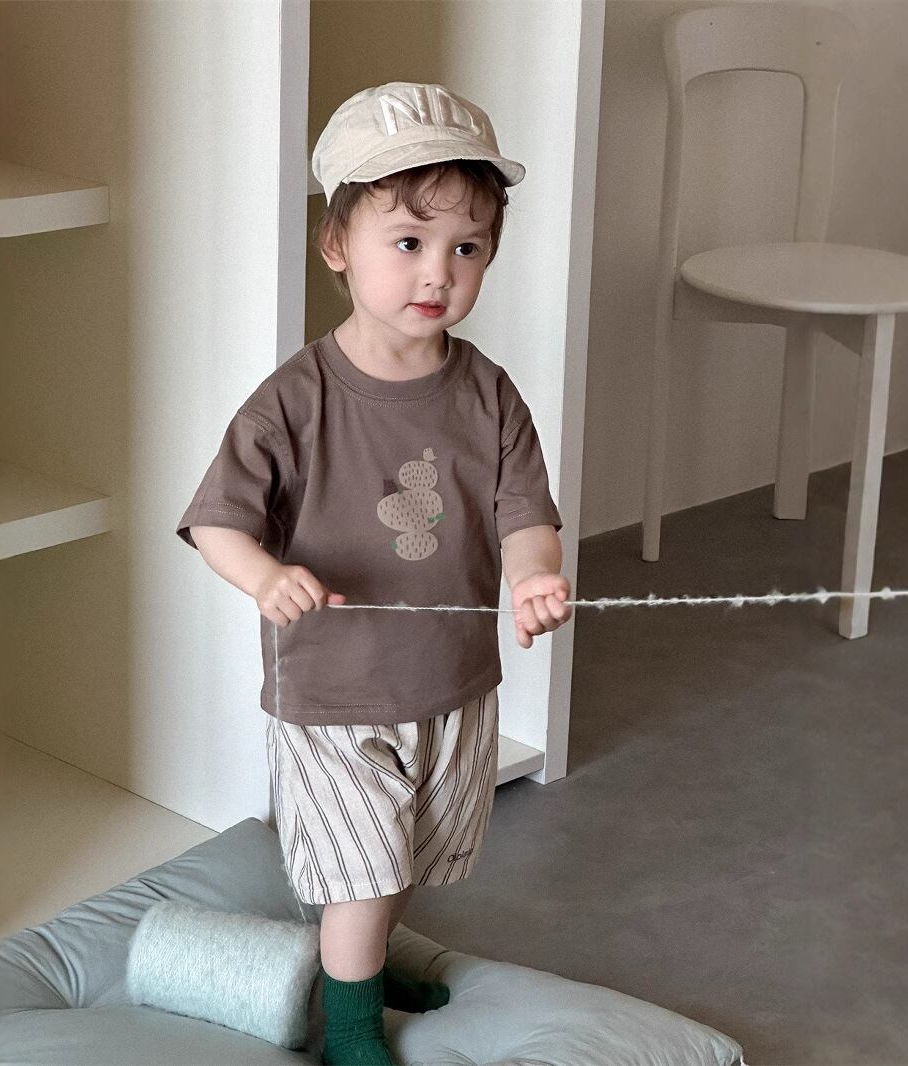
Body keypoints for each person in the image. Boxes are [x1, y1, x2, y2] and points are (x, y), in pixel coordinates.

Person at [175, 81, 573, 1066]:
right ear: (337, 245)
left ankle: (364, 962)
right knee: (360, 869)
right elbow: (217, 520)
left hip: (449, 681)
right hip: (335, 695)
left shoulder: (488, 394)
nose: (438, 271)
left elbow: (525, 512)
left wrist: (533, 576)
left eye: (467, 247)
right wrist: (263, 576)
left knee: (406, 856)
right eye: (408, 240)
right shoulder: (294, 399)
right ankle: (350, 1031)